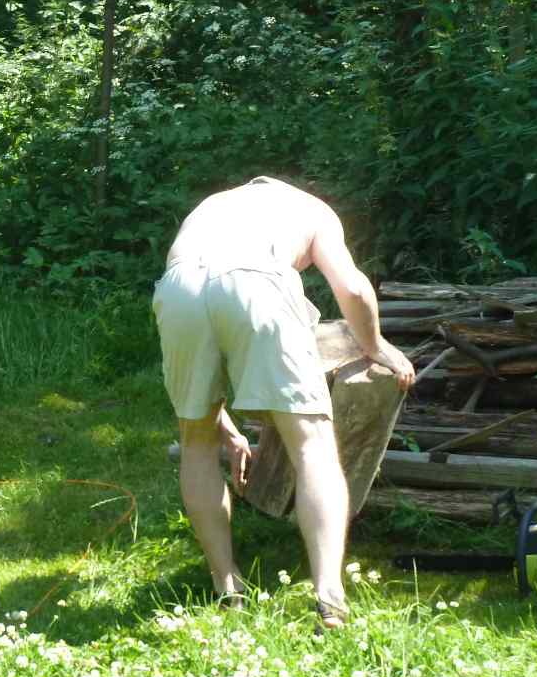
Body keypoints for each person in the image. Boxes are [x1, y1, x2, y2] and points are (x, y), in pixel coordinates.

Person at [152, 176, 414, 628]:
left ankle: (227, 587)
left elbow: (207, 302)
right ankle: (330, 597)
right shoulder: (314, 211)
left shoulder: (213, 206)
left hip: (178, 288)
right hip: (257, 283)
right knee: (313, 445)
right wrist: (375, 346)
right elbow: (352, 289)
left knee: (195, 444)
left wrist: (226, 432)